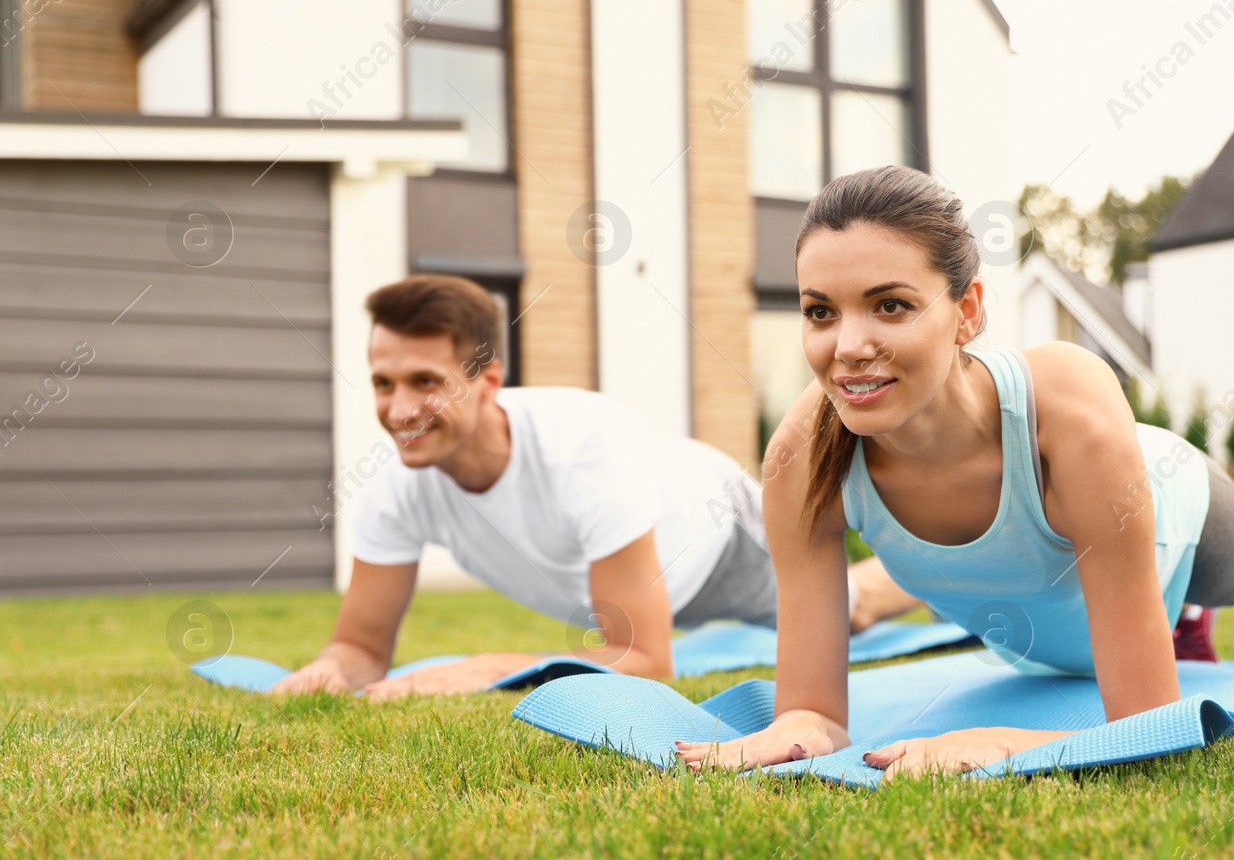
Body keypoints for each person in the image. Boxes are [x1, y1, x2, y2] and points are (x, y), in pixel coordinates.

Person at [675, 166, 1234, 780]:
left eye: (890, 306)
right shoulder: (802, 457)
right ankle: (1179, 624)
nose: (848, 347)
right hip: (1043, 634)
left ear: (966, 311)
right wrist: (797, 727)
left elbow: (1148, 726)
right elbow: (814, 711)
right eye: (821, 311)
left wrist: (1000, 742)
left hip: (1171, 519)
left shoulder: (1068, 405)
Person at [270, 274, 916, 699]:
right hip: (629, 582)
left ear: (488, 379)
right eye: (384, 384)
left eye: (425, 382)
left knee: (844, 609)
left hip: (708, 532)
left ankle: (928, 567)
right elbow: (358, 647)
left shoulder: (582, 443)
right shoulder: (395, 482)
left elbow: (642, 659)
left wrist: (495, 667)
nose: (400, 409)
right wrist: (328, 673)